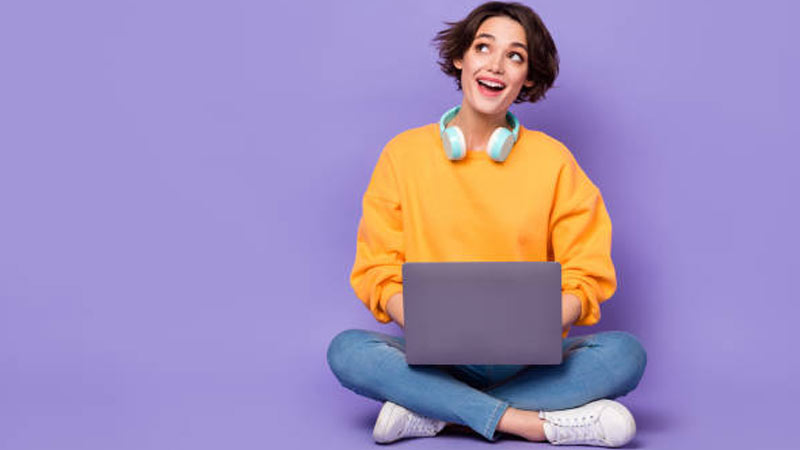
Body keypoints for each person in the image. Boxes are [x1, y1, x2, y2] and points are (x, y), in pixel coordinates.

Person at [326, 2, 647, 447]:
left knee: (625, 355)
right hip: (435, 357)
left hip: (528, 359)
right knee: (347, 351)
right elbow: (377, 270)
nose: (496, 65)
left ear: (528, 77)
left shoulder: (553, 161)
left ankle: (434, 410)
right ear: (461, 57)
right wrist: (425, 325)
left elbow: (586, 274)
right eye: (483, 47)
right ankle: (529, 424)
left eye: (515, 56)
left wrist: (540, 325)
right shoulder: (403, 155)